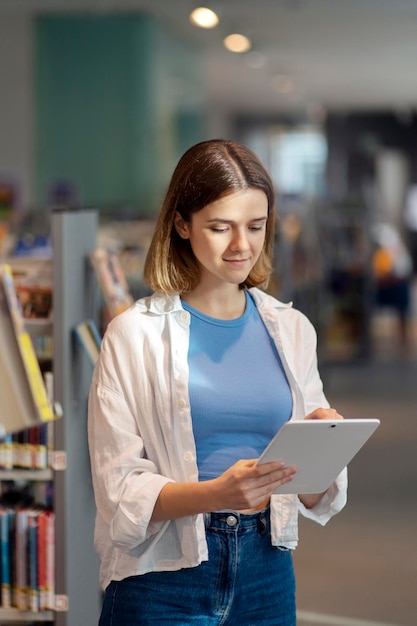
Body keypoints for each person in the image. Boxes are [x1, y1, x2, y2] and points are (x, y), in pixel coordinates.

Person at [88, 139, 348, 626]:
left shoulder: (291, 330)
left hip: (266, 569)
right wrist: (216, 494)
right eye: (220, 227)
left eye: (255, 226)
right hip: (162, 576)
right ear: (182, 224)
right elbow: (117, 490)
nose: (242, 246)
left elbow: (315, 495)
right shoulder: (133, 334)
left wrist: (324, 452)